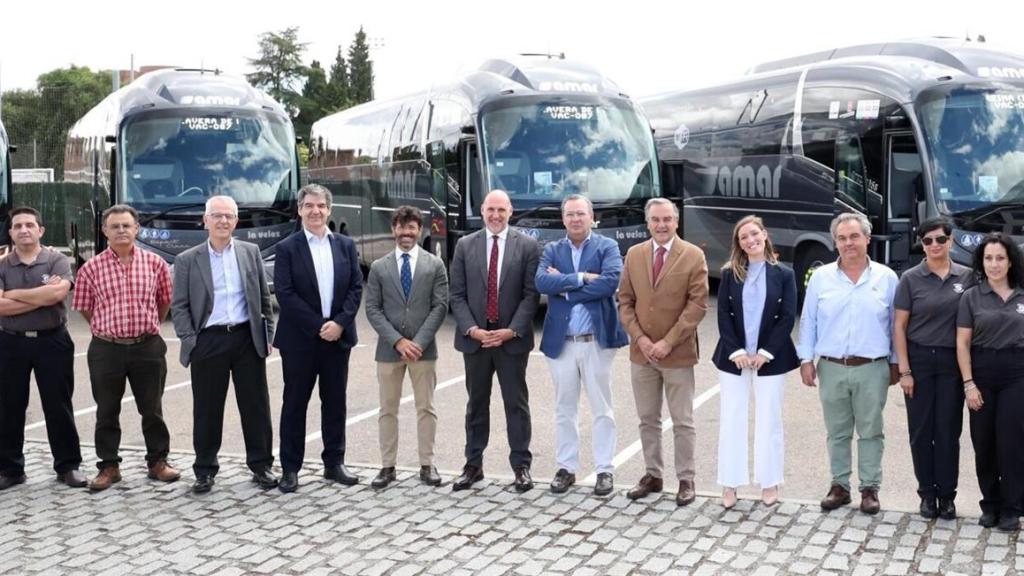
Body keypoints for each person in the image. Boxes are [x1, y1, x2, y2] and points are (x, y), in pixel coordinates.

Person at [170, 196, 278, 494]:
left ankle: (261, 466)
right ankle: (204, 470)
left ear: (236, 220)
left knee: (255, 406)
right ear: (205, 220)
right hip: (209, 340)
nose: (223, 221)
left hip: (246, 338)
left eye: (228, 216)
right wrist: (192, 340)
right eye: (216, 216)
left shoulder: (250, 252)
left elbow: (263, 299)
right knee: (207, 409)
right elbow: (178, 306)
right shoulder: (188, 259)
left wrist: (266, 335)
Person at [72, 204, 180, 491]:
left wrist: (148, 325)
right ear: (104, 230)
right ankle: (109, 466)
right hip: (107, 349)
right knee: (107, 410)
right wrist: (107, 329)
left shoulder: (155, 264)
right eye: (115, 226)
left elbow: (165, 301)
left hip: (148, 347)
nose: (121, 230)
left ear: (137, 229)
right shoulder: (91, 268)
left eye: (126, 225)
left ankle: (158, 462)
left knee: (152, 409)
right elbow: (84, 307)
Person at [798, 212, 898, 515]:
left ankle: (870, 488)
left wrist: (895, 363)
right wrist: (806, 359)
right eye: (842, 238)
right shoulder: (820, 278)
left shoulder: (887, 278)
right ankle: (839, 486)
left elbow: (896, 325)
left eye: (854, 236)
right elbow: (808, 320)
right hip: (831, 366)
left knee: (871, 431)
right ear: (834, 242)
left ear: (867, 238)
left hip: (872, 367)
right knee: (837, 431)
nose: (848, 243)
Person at [536, 194, 628, 497]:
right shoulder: (552, 249)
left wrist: (565, 288)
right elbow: (541, 283)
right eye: (570, 214)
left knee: (602, 409)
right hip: (561, 344)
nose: (575, 219)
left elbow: (610, 282)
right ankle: (566, 468)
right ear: (563, 219)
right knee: (564, 409)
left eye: (581, 214)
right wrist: (580, 277)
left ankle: (604, 470)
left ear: (592, 217)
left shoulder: (607, 247)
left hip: (596, 342)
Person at [618, 198, 708, 506]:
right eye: (655, 219)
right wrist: (641, 339)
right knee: (647, 418)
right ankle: (652, 474)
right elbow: (625, 301)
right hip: (641, 354)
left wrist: (668, 342)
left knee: (682, 420)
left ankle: (686, 478)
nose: (661, 225)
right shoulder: (634, 254)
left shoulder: (693, 255)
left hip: (677, 354)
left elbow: (696, 306)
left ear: (676, 221)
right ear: (647, 223)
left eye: (667, 219)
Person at [274, 184, 362, 493]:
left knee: (335, 402)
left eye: (321, 206)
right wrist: (318, 325)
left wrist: (338, 324)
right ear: (299, 210)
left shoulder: (345, 246)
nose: (315, 211)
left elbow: (355, 288)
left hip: (337, 339)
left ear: (329, 209)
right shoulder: (287, 248)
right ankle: (290, 468)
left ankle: (334, 463)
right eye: (309, 205)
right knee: (295, 404)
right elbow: (284, 293)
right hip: (300, 340)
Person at [449, 189, 540, 492]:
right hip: (476, 339)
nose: (496, 215)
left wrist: (512, 330)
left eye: (501, 210)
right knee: (476, 404)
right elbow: (457, 295)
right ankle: (473, 465)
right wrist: (472, 329)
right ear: (482, 210)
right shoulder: (464, 245)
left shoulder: (527, 246)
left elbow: (531, 295)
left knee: (516, 404)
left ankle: (521, 467)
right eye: (491, 210)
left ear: (511, 211)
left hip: (510, 341)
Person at [711, 216, 799, 509]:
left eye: (754, 233)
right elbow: (723, 314)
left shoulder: (784, 274)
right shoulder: (729, 274)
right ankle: (730, 483)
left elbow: (787, 317)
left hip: (770, 359)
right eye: (743, 237)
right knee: (732, 420)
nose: (750, 240)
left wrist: (765, 352)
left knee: (769, 421)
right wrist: (736, 351)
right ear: (738, 244)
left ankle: (770, 481)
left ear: (764, 234)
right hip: (733, 358)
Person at [0, 207, 85, 490]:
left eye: (29, 225)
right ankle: (11, 470)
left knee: (58, 404)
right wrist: (42, 296)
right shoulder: (2, 264)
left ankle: (68, 466)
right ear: (10, 232)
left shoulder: (57, 259)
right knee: (9, 406)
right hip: (11, 341)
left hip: (53, 341)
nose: (24, 230)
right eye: (17, 226)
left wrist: (13, 295)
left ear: (41, 230)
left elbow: (58, 294)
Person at [364, 205, 449, 489]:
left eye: (411, 228)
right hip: (389, 351)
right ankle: (388, 467)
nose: (406, 233)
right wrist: (398, 341)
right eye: (401, 227)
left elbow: (440, 306)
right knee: (387, 410)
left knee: (426, 408)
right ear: (393, 230)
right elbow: (373, 309)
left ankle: (427, 464)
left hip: (424, 350)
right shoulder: (378, 267)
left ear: (420, 231)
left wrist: (419, 342)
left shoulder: (434, 265)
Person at [893, 217, 971, 520]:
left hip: (953, 362)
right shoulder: (910, 279)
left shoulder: (968, 277)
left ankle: (947, 496)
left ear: (950, 241)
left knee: (949, 431)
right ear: (921, 244)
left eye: (940, 239)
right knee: (921, 431)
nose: (935, 245)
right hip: (920, 360)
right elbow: (899, 327)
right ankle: (927, 494)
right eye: (928, 241)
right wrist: (906, 371)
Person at [955, 233, 1024, 532]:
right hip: (981, 372)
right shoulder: (971, 296)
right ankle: (990, 504)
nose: (994, 264)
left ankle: (1012, 508)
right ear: (981, 262)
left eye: (1000, 258)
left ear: (1010, 262)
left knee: (1011, 443)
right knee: (983, 442)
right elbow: (962, 343)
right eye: (988, 258)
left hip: (1016, 374)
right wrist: (969, 383)